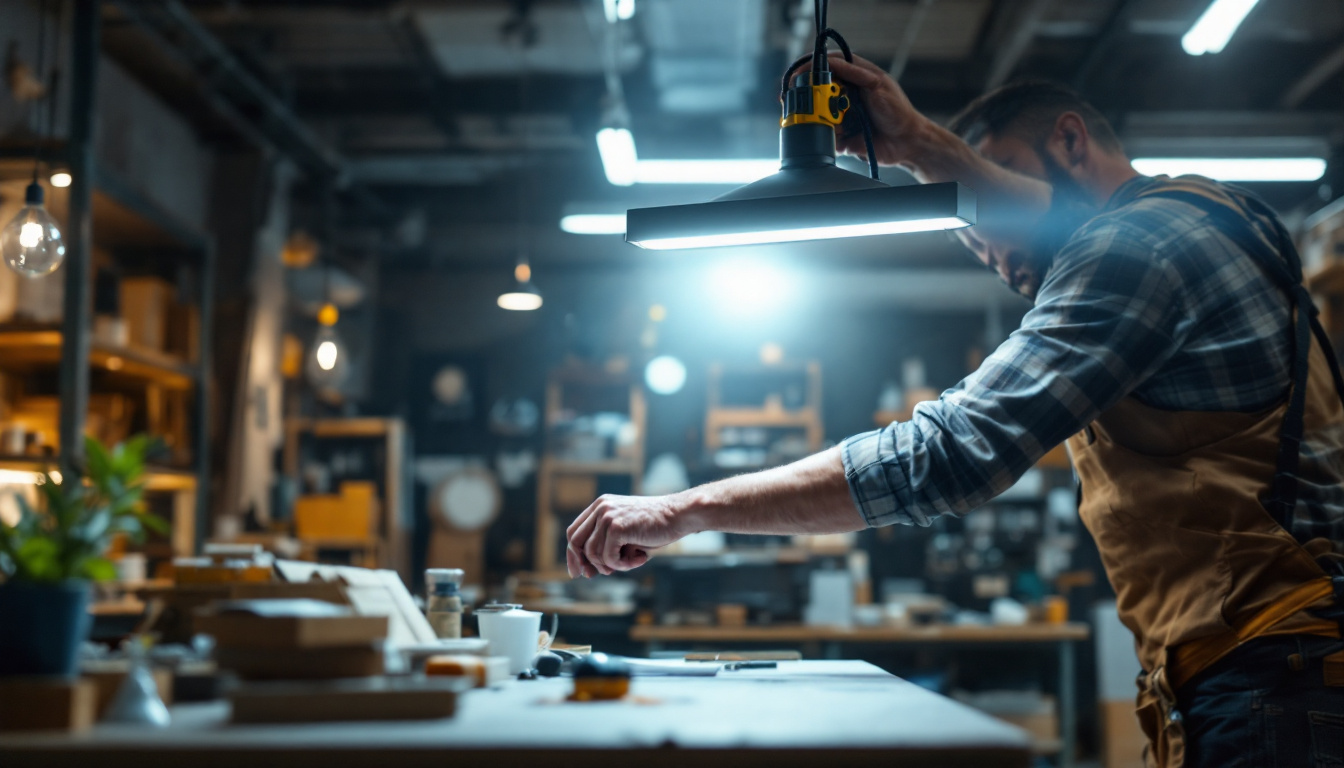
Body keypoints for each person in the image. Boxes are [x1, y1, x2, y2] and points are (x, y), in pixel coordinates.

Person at [565, 54, 1344, 767]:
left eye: (996, 186)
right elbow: (1041, 211)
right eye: (969, 236)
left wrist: (686, 509)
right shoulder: (1210, 214)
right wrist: (917, 146)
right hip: (1265, 665)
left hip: (1273, 673)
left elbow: (949, 453)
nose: (993, 252)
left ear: (1072, 141)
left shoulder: (1137, 244)